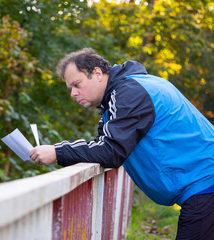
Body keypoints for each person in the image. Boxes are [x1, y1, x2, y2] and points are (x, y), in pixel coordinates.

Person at [29, 48, 214, 239]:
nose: (73, 93)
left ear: (97, 73)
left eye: (77, 84)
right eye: (70, 88)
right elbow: (102, 145)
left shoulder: (130, 93)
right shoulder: (125, 92)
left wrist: (57, 152)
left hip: (206, 185)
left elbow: (110, 150)